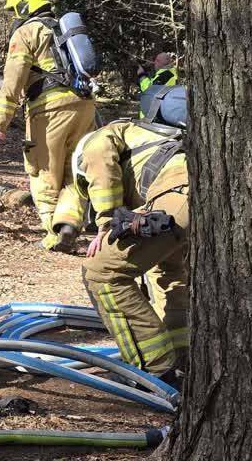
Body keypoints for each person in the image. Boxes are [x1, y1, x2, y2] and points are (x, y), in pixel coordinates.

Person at [69, 109, 188, 387]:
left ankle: (152, 371)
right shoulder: (152, 143)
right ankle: (183, 359)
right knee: (171, 274)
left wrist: (107, 221)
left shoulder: (103, 137)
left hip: (180, 191)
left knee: (102, 271)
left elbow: (98, 151)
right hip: (192, 199)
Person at [0, 0, 96, 252]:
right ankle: (69, 224)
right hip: (84, 105)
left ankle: (53, 233)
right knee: (74, 170)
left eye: (15, 10)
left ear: (24, 6)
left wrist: (1, 120)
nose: (14, 16)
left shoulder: (27, 32)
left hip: (49, 110)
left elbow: (13, 79)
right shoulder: (62, 29)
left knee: (44, 171)